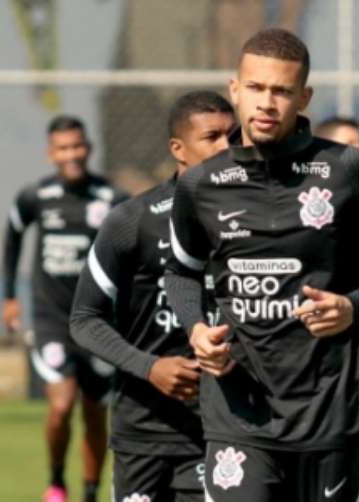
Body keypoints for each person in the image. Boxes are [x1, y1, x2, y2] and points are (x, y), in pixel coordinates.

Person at [165, 29, 359, 502]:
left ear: (303, 97)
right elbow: (182, 271)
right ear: (235, 89)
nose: (267, 102)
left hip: (328, 416)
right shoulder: (201, 185)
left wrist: (354, 305)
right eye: (256, 88)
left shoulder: (347, 170)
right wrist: (196, 330)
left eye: (282, 91)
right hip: (237, 417)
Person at [69, 91, 235, 501]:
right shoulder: (132, 221)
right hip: (142, 433)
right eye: (212, 137)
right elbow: (85, 319)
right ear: (178, 149)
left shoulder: (256, 220)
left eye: (233, 135)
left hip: (220, 433)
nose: (227, 148)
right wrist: (150, 367)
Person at [2, 115, 127, 502]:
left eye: (77, 146)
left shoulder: (112, 199)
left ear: (87, 147)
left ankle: (90, 492)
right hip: (51, 318)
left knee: (94, 410)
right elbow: (12, 237)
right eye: (63, 148)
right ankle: (56, 481)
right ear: (51, 152)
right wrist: (9, 296)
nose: (71, 154)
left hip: (99, 319)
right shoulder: (34, 197)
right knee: (60, 404)